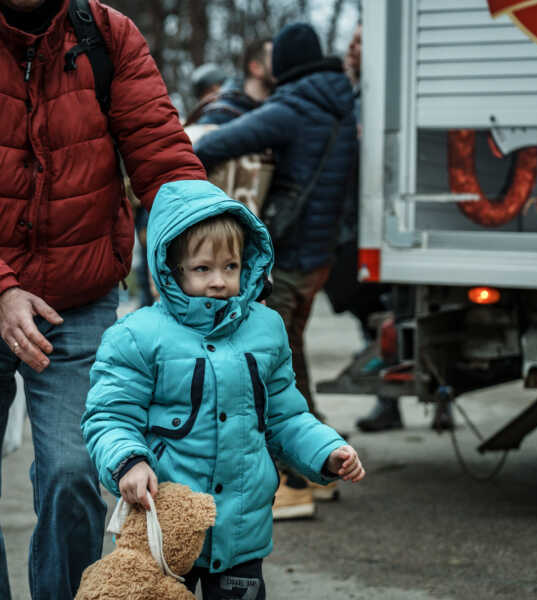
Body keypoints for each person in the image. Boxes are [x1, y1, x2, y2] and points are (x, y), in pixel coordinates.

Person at [0, 0, 206, 598]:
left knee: (74, 474)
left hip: (77, 301)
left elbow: (162, 156)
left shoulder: (108, 37)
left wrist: (214, 249)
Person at [82, 180, 365, 600]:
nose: (218, 281)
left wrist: (326, 451)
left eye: (230, 267)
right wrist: (128, 463)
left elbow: (286, 416)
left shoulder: (266, 329)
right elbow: (109, 416)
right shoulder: (137, 336)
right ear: (170, 269)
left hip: (240, 529)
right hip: (166, 524)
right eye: (202, 269)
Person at [193, 23, 359, 519]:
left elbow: (217, 145)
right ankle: (322, 465)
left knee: (267, 371)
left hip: (286, 260)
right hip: (320, 257)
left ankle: (290, 481)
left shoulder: (292, 106)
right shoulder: (339, 102)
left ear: (284, 64)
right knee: (293, 360)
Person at [194, 38, 274, 126]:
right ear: (255, 68)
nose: (214, 95)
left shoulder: (280, 105)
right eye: (208, 92)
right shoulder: (218, 116)